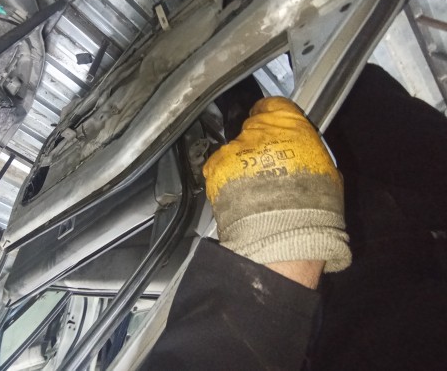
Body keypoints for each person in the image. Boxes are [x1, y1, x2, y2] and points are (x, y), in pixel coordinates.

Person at [141, 64, 447, 370]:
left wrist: (277, 255)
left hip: (348, 289)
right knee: (350, 85)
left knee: (258, 128)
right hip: (405, 238)